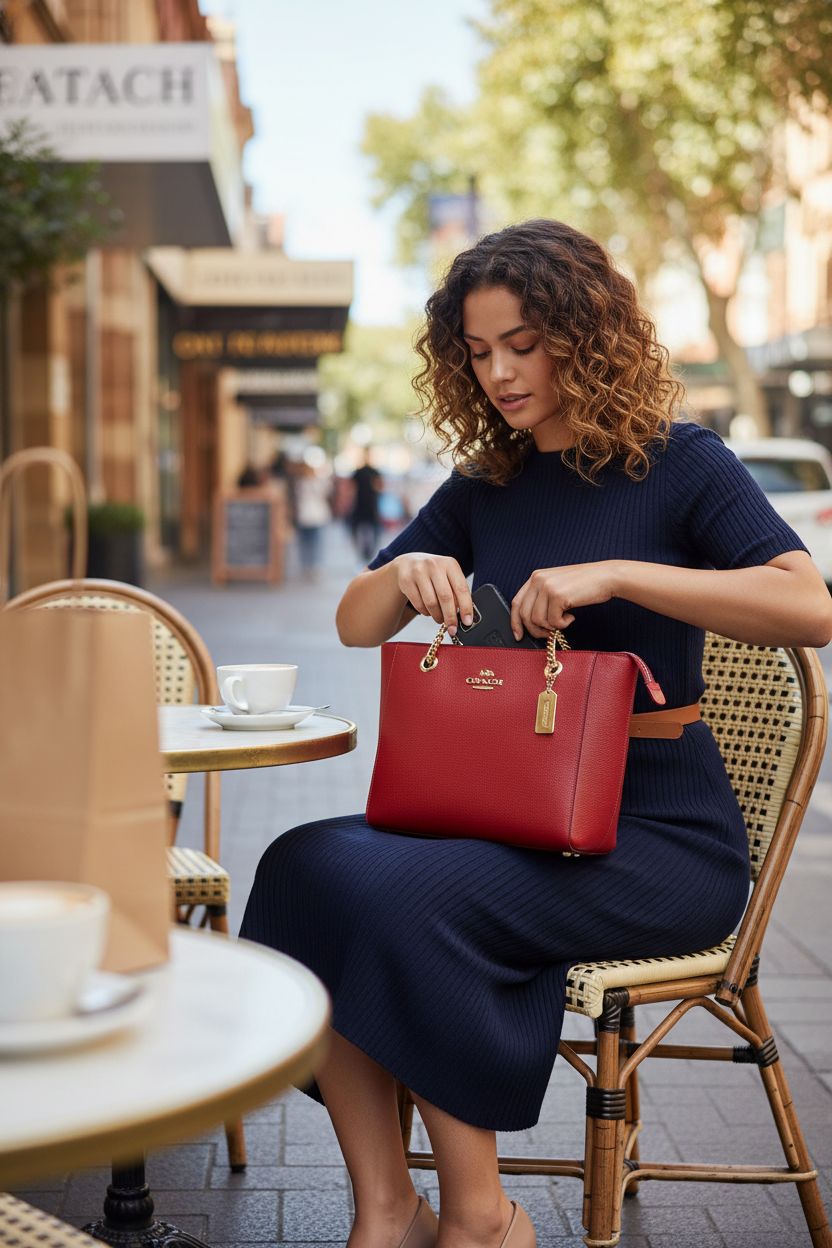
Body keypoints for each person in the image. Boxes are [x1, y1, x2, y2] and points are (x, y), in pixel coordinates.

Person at [240, 220, 832, 1248]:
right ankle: (389, 1209)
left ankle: (485, 1219)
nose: (501, 372)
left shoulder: (681, 463)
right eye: (477, 352)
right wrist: (401, 577)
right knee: (303, 864)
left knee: (407, 899)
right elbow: (353, 620)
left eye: (522, 343)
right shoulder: (489, 482)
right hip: (516, 817)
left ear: (580, 331)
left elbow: (809, 605)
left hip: (658, 839)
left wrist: (619, 576)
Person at [350, 449, 383, 563]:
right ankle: (364, 552)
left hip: (371, 506)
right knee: (357, 529)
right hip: (360, 505)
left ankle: (368, 552)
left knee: (375, 530)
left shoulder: (375, 472)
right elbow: (351, 489)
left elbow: (380, 487)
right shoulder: (358, 472)